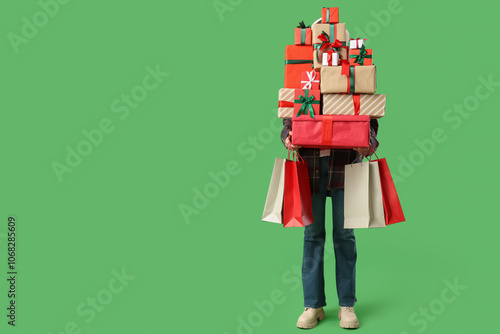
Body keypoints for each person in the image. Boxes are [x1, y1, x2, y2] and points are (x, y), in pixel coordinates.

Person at [281, 118, 379, 329]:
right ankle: (313, 305)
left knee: (344, 236)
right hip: (310, 164)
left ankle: (346, 305)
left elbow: (369, 118)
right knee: (313, 235)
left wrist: (368, 143)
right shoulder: (306, 83)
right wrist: (288, 137)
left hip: (345, 165)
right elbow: (290, 116)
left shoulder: (353, 84)